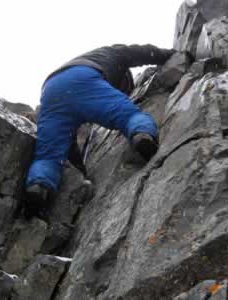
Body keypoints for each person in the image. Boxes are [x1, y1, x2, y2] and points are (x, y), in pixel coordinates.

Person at [25, 44, 175, 213]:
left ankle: (38, 187)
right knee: (128, 116)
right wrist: (168, 55)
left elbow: (68, 143)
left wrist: (81, 173)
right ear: (123, 78)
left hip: (50, 91)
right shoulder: (112, 54)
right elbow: (140, 52)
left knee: (48, 155)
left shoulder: (96, 57)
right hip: (83, 77)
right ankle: (142, 135)